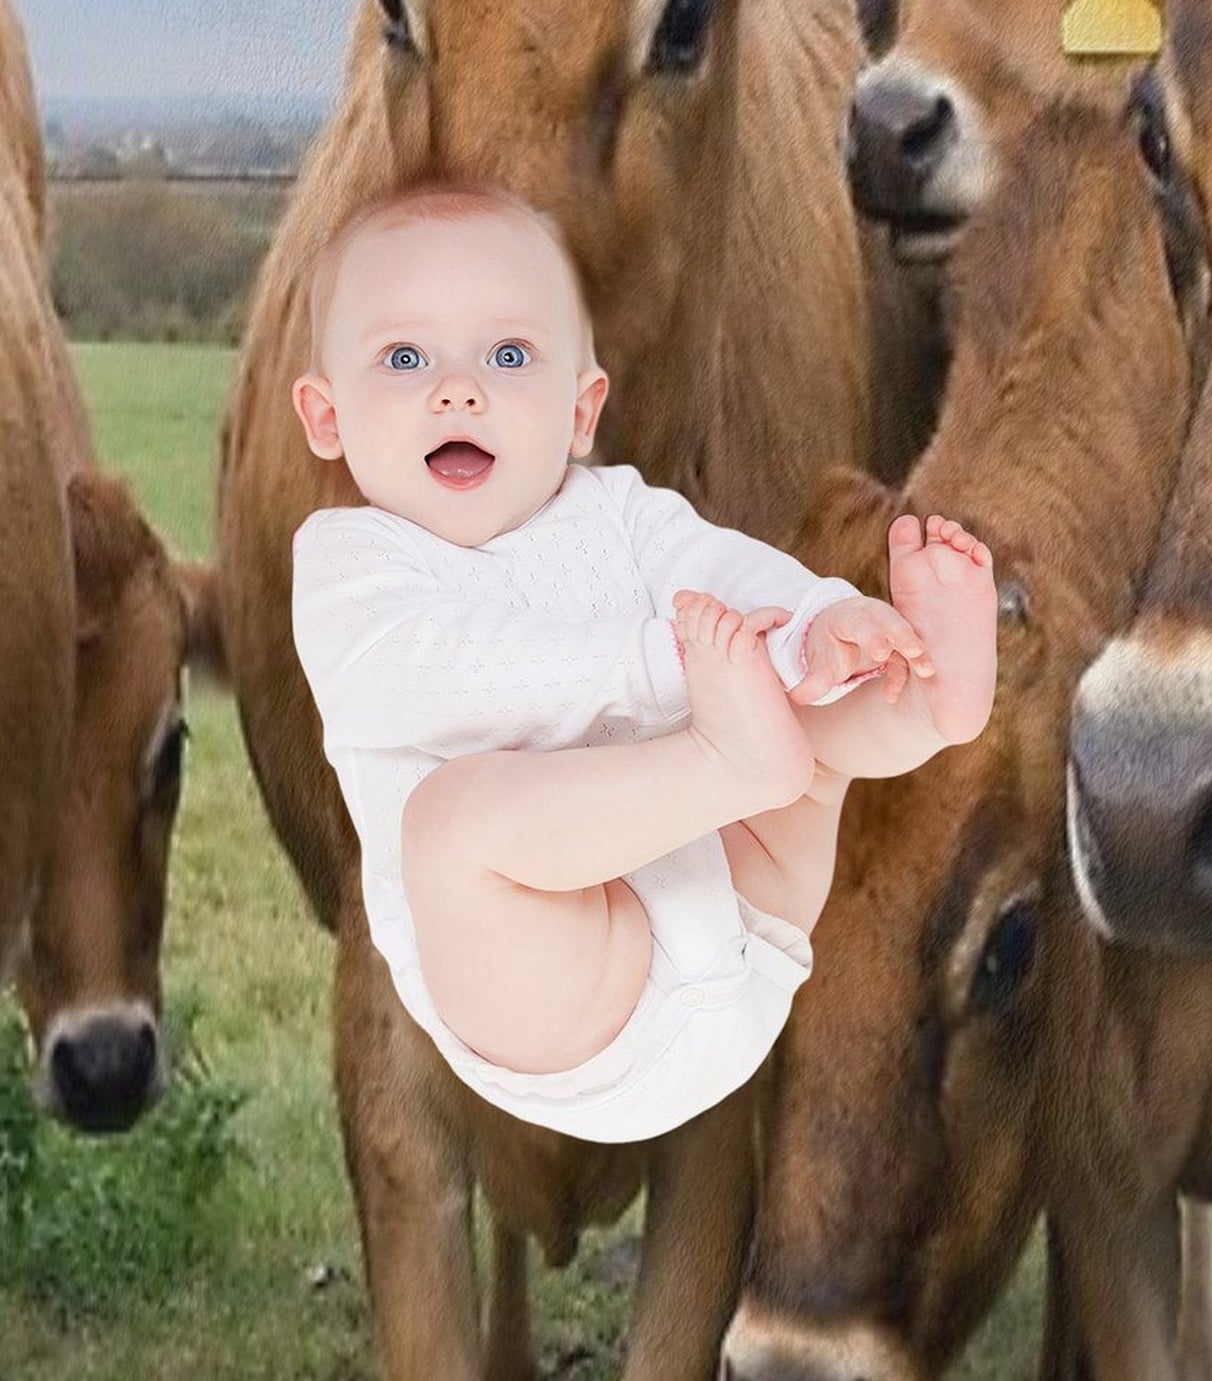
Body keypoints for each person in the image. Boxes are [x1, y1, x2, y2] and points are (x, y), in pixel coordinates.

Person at [290, 181, 997, 1143]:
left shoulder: (617, 512)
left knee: (805, 725)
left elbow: (721, 572)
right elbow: (442, 675)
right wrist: (664, 663)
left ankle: (920, 704)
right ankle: (739, 759)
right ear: (325, 417)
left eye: (508, 354)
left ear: (580, 411)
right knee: (449, 825)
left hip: (745, 920)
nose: (458, 389)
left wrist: (813, 622)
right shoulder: (351, 566)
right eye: (404, 357)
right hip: (568, 993)